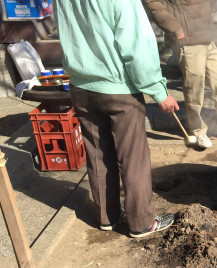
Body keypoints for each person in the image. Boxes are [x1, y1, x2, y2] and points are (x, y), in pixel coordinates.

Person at [54, 0, 179, 238]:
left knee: (98, 152)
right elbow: (137, 44)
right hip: (118, 87)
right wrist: (158, 91)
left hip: (81, 85)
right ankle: (142, 222)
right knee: (133, 156)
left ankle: (106, 217)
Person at [144, 0, 217, 149]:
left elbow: (206, 6)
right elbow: (153, 3)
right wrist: (175, 27)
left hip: (206, 39)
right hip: (187, 41)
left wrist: (212, 32)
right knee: (195, 88)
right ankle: (198, 131)